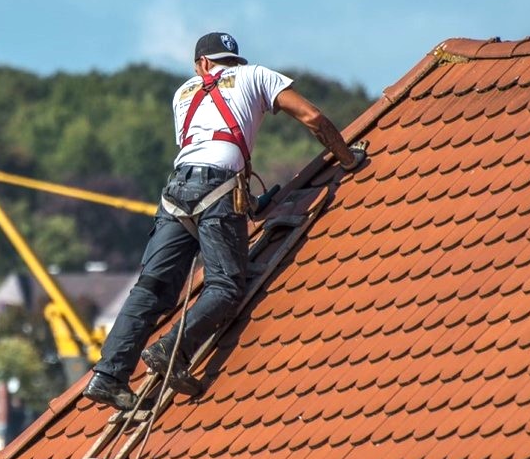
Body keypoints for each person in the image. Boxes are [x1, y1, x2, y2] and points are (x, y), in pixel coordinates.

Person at [82, 31, 365, 411]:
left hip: (176, 192)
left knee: (152, 288)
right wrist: (347, 158)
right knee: (227, 286)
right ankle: (172, 350)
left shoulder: (182, 94)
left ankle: (108, 375)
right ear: (227, 61)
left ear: (201, 64)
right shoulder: (257, 75)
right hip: (218, 187)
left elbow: (204, 144)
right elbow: (312, 117)